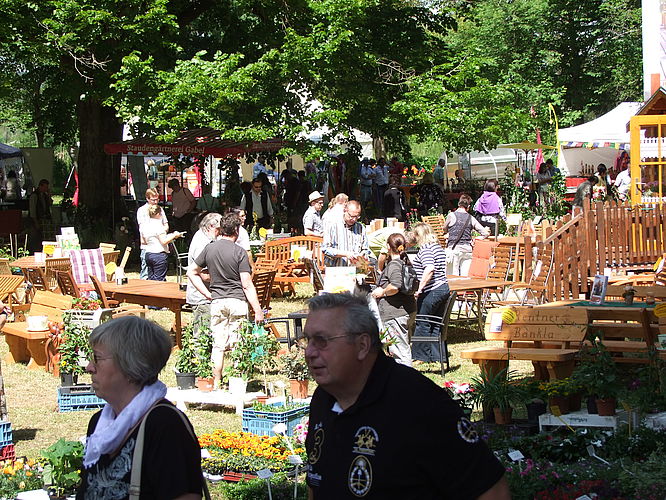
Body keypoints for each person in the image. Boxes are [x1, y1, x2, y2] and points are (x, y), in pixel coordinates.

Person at [303, 293, 509, 500]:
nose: (309, 352)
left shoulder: (418, 404)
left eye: (321, 341)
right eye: (307, 340)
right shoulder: (324, 398)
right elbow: (316, 482)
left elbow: (492, 491)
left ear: (362, 345)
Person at [78, 316, 206, 499]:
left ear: (129, 366)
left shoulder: (165, 426)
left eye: (97, 358)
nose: (89, 367)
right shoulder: (99, 422)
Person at [187, 213, 264, 389]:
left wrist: (206, 294)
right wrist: (258, 309)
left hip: (217, 302)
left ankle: (217, 383)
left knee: (218, 345)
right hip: (237, 301)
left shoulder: (210, 248)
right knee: (238, 343)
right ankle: (237, 383)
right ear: (236, 230)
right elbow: (246, 284)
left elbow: (192, 272)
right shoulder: (239, 252)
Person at [370, 233, 416, 366]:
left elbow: (395, 286)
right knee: (402, 346)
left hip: (396, 314)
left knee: (400, 352)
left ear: (387, 247)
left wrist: (382, 292)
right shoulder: (405, 261)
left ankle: (406, 382)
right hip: (406, 310)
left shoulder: (394, 265)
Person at [410, 223, 450, 364]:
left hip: (431, 290)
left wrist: (420, 289)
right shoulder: (438, 247)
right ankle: (437, 355)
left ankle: (420, 355)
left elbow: (429, 268)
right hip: (443, 288)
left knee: (423, 322)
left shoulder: (425, 249)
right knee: (436, 323)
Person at [186, 212, 222, 333]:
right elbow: (205, 276)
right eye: (219, 229)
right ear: (211, 226)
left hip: (207, 296)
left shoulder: (206, 238)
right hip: (202, 297)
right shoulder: (202, 243)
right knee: (202, 336)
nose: (220, 233)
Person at [444, 194, 490, 277]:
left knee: (452, 277)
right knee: (465, 277)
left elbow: (445, 229)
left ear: (458, 204)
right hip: (467, 250)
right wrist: (477, 238)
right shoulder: (471, 218)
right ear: (468, 206)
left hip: (454, 250)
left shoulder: (451, 215)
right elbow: (485, 233)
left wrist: (449, 234)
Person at [321, 200, 373, 267]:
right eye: (351, 216)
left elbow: (366, 249)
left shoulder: (361, 228)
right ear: (345, 210)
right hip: (336, 268)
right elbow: (325, 249)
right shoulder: (332, 226)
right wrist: (345, 254)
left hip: (354, 269)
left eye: (356, 217)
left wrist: (361, 255)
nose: (353, 219)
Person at [140, 205, 185, 281]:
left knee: (151, 279)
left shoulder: (144, 225)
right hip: (158, 254)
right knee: (159, 280)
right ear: (158, 214)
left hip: (148, 253)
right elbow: (164, 241)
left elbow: (143, 241)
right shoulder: (158, 225)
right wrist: (174, 235)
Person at [137, 188, 168, 280]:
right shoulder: (142, 210)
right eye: (153, 199)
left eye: (157, 199)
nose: (155, 201)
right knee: (146, 273)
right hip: (147, 246)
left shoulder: (160, 209)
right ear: (147, 198)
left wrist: (161, 233)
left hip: (160, 245)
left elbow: (166, 224)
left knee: (159, 275)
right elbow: (141, 228)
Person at [28, 178, 53, 252]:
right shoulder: (34, 196)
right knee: (35, 238)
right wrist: (35, 222)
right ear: (40, 186)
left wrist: (49, 195)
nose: (46, 189)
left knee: (43, 238)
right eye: (45, 187)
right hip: (35, 220)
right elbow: (32, 210)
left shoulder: (44, 195)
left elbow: (50, 204)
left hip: (44, 219)